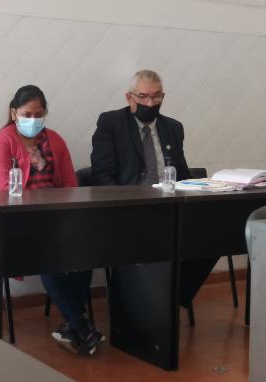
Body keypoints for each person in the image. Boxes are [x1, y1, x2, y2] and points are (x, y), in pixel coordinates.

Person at [0, 85, 104, 355]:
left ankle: (72, 325)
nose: (33, 120)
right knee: (49, 255)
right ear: (14, 113)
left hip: (56, 220)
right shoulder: (1, 142)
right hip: (17, 223)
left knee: (85, 252)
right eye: (27, 114)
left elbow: (70, 186)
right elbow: (3, 191)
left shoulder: (55, 141)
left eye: (39, 114)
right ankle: (80, 325)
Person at [90, 69, 215, 308]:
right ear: (129, 97)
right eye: (143, 96)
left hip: (169, 207)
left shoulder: (173, 128)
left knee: (211, 235)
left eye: (156, 96)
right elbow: (102, 176)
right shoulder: (111, 123)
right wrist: (127, 204)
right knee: (150, 238)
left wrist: (204, 189)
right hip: (130, 209)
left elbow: (183, 175)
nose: (150, 103)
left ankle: (171, 299)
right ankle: (151, 304)